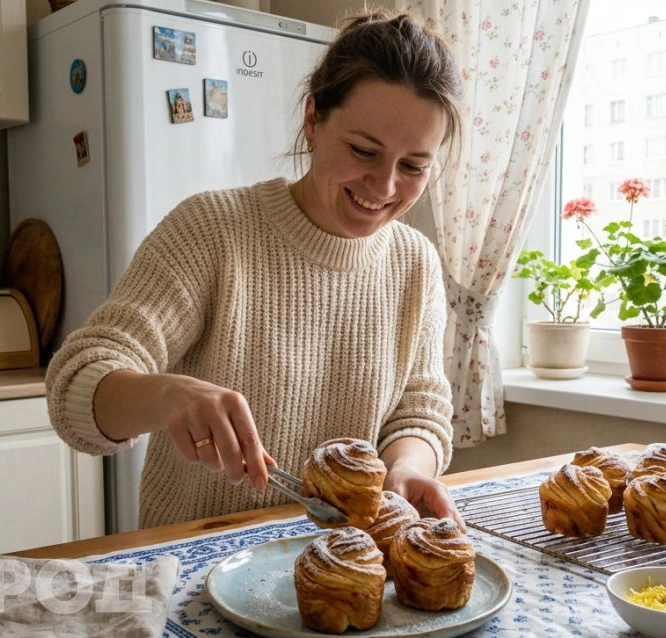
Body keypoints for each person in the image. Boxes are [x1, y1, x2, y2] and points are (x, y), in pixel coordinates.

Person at [46, 10, 464, 530]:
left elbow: (418, 409)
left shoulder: (415, 262)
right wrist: (168, 397)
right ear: (313, 119)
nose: (383, 187)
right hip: (192, 567)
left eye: (413, 166)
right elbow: (73, 392)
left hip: (341, 569)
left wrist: (408, 466)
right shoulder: (211, 230)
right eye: (363, 151)